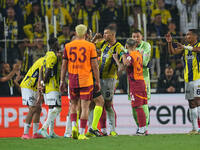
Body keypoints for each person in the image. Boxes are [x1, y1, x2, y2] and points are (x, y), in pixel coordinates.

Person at [60, 24, 100, 140]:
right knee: (85, 107)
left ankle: (73, 127)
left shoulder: (68, 46)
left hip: (72, 79)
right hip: (86, 80)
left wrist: (62, 80)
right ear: (86, 34)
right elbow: (95, 66)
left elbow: (63, 65)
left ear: (76, 33)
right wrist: (97, 81)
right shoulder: (90, 46)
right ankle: (82, 133)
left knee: (73, 105)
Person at [92, 25, 126, 136]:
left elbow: (123, 64)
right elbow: (89, 47)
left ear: (112, 35)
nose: (104, 35)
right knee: (97, 103)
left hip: (109, 80)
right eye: (104, 33)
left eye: (106, 33)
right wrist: (94, 38)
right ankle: (101, 129)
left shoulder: (119, 47)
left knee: (107, 104)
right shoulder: (103, 43)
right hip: (98, 78)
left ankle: (112, 129)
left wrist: (119, 63)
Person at [165, 29, 200, 134]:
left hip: (198, 78)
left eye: (189, 35)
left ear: (195, 36)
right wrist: (169, 43)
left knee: (198, 102)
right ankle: (195, 129)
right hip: (187, 79)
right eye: (186, 35)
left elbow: (198, 49)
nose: (186, 37)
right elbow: (172, 52)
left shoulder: (197, 45)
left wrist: (184, 47)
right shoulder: (185, 48)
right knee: (191, 103)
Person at [38, 37, 62, 138]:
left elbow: (42, 69)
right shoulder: (52, 55)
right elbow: (47, 70)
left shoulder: (47, 54)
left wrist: (43, 83)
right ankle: (43, 128)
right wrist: (43, 83)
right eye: (57, 43)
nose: (58, 45)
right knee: (57, 108)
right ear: (53, 44)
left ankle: (51, 132)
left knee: (51, 108)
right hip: (52, 85)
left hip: (48, 86)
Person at [124, 38, 147, 135]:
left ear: (127, 46)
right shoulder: (138, 54)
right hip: (141, 80)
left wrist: (122, 55)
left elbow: (126, 63)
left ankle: (142, 129)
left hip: (135, 83)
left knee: (138, 106)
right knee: (140, 106)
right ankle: (143, 128)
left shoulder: (130, 55)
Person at [132, 29, 151, 134]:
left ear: (141, 37)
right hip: (131, 81)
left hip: (143, 79)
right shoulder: (130, 48)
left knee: (143, 103)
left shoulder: (146, 46)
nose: (136, 39)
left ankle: (145, 127)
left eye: (137, 36)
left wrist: (132, 56)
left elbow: (144, 62)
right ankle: (139, 126)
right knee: (134, 105)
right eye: (134, 37)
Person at [20, 57, 44, 139]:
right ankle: (25, 133)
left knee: (38, 109)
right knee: (33, 108)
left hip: (34, 87)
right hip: (28, 86)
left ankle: (35, 133)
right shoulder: (43, 62)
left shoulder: (45, 61)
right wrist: (40, 94)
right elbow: (39, 79)